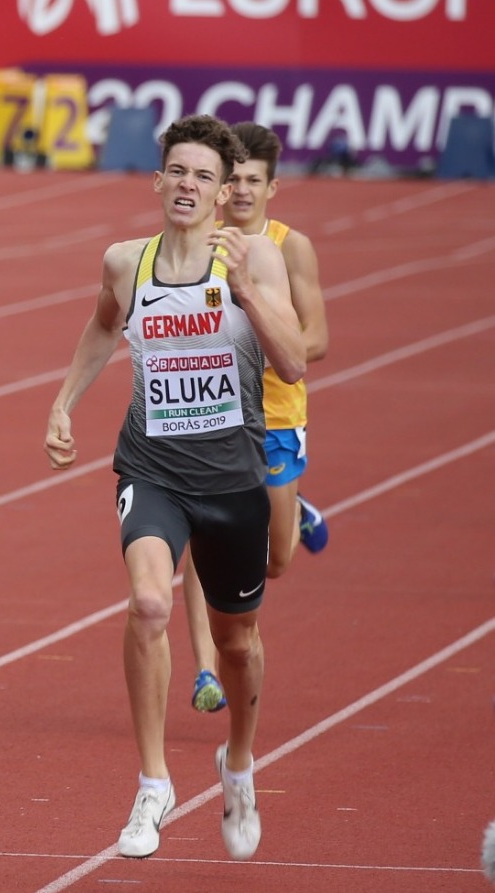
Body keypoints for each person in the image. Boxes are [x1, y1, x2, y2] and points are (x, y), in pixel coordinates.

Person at [42, 114, 307, 862]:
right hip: (151, 467)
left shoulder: (255, 260)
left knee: (237, 642)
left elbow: (292, 364)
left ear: (225, 193)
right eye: (177, 173)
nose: (187, 187)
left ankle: (239, 762)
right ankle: (152, 782)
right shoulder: (127, 261)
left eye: (203, 177)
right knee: (151, 601)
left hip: (232, 478)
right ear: (157, 182)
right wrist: (63, 403)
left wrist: (246, 293)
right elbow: (102, 327)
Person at [182, 121, 331, 715]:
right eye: (233, 179)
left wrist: (266, 335)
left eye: (252, 181)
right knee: (203, 534)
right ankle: (204, 669)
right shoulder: (199, 241)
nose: (240, 191)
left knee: (276, 561)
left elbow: (314, 338)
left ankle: (294, 510)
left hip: (276, 416)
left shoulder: (288, 248)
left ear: (272, 187)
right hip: (214, 417)